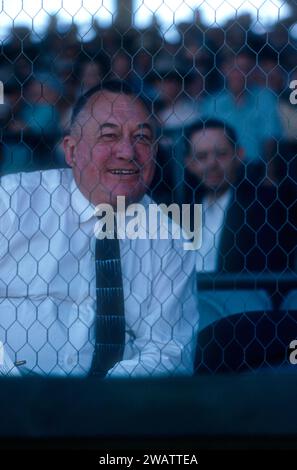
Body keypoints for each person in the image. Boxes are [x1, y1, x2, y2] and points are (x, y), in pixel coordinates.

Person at [0, 80, 198, 378]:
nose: (127, 151)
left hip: (112, 413)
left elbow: (169, 351)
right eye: (109, 135)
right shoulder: (12, 201)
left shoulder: (167, 236)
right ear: (71, 150)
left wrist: (97, 402)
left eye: (142, 138)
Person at [183, 119, 296, 329]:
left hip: (236, 309)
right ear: (189, 163)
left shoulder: (264, 207)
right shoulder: (183, 212)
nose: (212, 163)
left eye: (221, 154)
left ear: (239, 155)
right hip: (188, 305)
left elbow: (268, 278)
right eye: (202, 156)